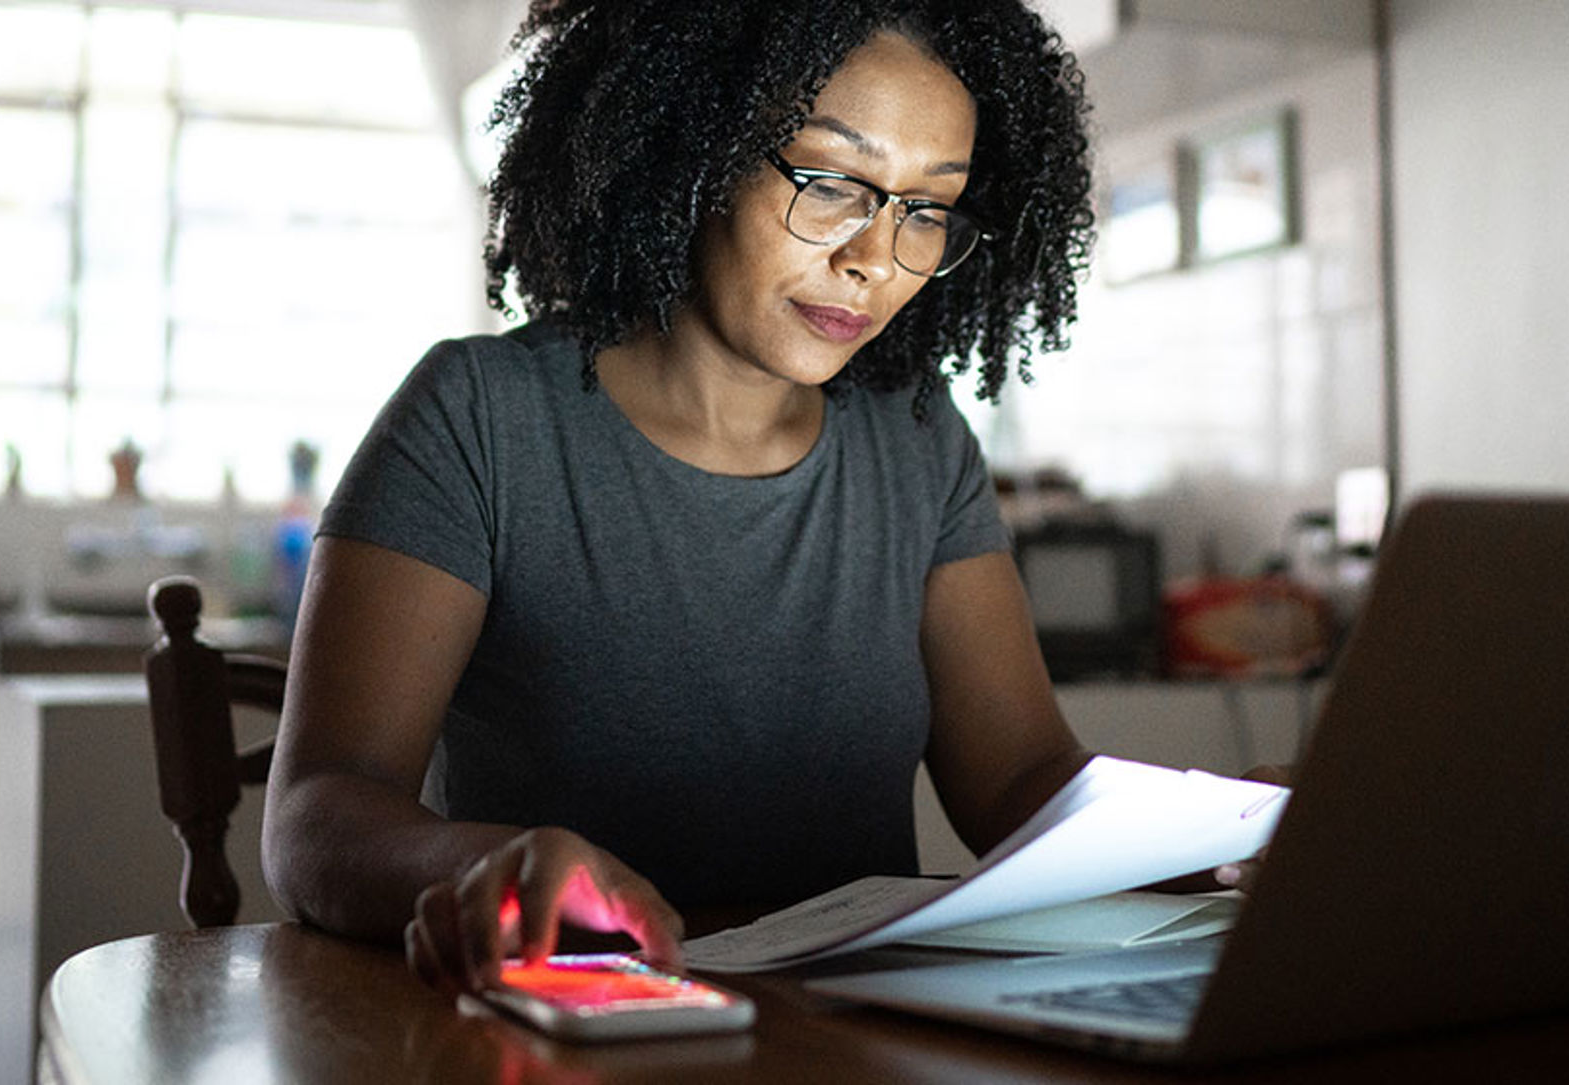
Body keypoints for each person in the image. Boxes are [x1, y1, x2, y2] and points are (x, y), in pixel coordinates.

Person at [262, 0, 1251, 997]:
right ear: (691, 146)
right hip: (580, 1024)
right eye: (832, 184)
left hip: (858, 1036)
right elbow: (318, 812)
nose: (874, 256)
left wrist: (1226, 831)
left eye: (926, 206)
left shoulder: (916, 435)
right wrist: (473, 866)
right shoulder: (478, 417)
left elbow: (1016, 778)